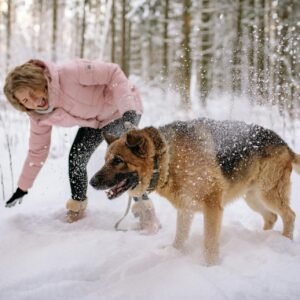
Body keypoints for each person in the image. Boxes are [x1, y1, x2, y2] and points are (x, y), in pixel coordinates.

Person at [3, 58, 161, 232]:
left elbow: (113, 73)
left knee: (124, 159)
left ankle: (146, 212)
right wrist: (22, 188)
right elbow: (37, 151)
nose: (33, 102)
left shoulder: (70, 73)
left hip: (120, 110)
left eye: (32, 93)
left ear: (38, 81)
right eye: (25, 101)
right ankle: (77, 207)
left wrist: (128, 112)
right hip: (96, 121)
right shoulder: (39, 116)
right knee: (77, 157)